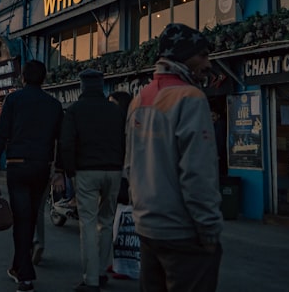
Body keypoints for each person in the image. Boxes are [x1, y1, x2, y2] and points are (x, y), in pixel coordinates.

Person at [124, 23, 223, 292]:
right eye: (202, 55)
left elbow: (130, 167)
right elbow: (197, 173)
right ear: (182, 55)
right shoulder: (190, 97)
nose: (208, 63)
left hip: (147, 230)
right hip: (183, 233)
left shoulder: (139, 99)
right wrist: (209, 228)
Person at [0, 59, 64, 292]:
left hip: (17, 166)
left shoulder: (13, 100)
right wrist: (58, 170)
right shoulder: (54, 105)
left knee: (22, 219)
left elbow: (2, 134)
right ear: (44, 78)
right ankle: (18, 266)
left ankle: (25, 275)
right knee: (29, 217)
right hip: (41, 167)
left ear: (23, 78)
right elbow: (61, 140)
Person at [60, 69, 125, 292]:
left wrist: (70, 172)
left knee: (87, 223)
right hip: (114, 171)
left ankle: (91, 280)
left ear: (82, 86)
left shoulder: (75, 110)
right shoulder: (115, 111)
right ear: (102, 86)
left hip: (86, 171)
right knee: (106, 221)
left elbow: (66, 143)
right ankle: (100, 272)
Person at [106, 90, 133, 282]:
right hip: (118, 174)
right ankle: (117, 262)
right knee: (117, 221)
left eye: (112, 103)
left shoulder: (128, 125)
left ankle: (125, 265)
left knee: (123, 223)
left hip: (127, 176)